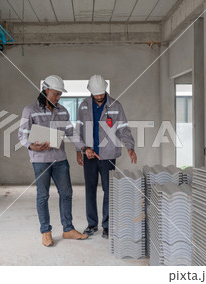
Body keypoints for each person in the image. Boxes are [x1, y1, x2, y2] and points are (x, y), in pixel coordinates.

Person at [18, 75, 96, 247]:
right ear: (45, 91)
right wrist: (32, 147)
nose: (58, 97)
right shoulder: (30, 110)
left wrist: (83, 148)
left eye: (60, 94)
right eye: (55, 94)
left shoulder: (62, 110)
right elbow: (22, 135)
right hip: (40, 160)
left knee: (66, 194)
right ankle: (46, 232)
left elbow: (71, 133)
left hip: (60, 159)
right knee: (43, 196)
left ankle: (68, 229)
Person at [76, 74, 137, 239]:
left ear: (105, 90)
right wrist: (79, 150)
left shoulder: (116, 105)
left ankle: (107, 225)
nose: (99, 97)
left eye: (101, 93)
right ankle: (92, 224)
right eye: (96, 94)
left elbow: (123, 128)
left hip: (108, 155)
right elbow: (79, 130)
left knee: (109, 191)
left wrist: (130, 147)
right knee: (90, 189)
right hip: (89, 154)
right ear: (91, 92)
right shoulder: (83, 106)